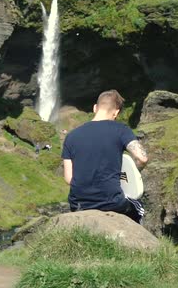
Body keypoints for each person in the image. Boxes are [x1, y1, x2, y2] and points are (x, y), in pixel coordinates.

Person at [61, 90, 149, 223]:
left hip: (78, 205)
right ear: (116, 112)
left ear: (95, 108)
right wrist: (134, 173)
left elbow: (69, 179)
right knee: (139, 208)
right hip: (111, 203)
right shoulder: (121, 130)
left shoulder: (71, 136)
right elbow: (142, 158)